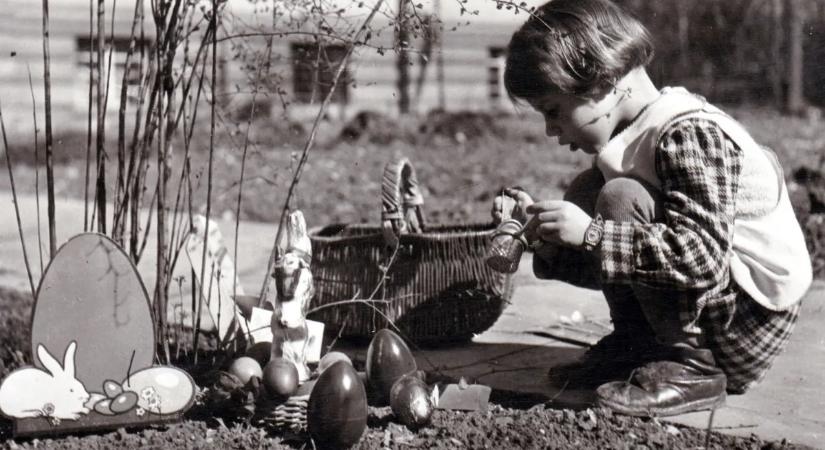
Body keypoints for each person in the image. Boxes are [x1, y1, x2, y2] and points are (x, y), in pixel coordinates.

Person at [496, 0, 812, 417]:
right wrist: (547, 235)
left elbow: (702, 259)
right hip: (719, 307)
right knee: (592, 189)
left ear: (603, 79)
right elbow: (613, 263)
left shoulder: (688, 133)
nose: (551, 130)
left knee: (618, 197)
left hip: (747, 324)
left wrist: (592, 234)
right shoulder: (637, 136)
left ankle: (692, 367)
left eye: (553, 112)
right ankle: (637, 347)